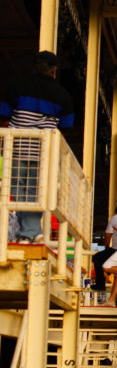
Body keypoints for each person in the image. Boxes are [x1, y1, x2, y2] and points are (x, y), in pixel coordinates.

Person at [0, 51, 74, 242]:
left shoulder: (16, 86)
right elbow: (65, 127)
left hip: (16, 148)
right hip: (44, 151)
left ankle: (28, 232)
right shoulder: (63, 95)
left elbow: (4, 118)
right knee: (36, 191)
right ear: (53, 71)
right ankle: (30, 232)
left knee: (17, 189)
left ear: (34, 66)